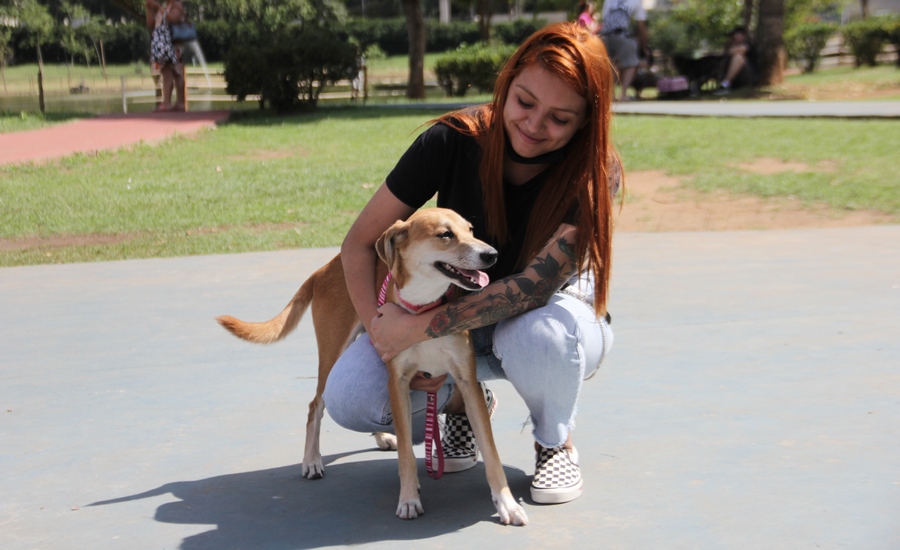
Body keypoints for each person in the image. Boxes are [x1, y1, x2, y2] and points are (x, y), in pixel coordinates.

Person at [322, 22, 619, 505]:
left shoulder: (594, 171)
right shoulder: (451, 140)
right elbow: (359, 244)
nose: (534, 124)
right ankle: (466, 399)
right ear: (506, 85)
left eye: (560, 118)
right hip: (459, 315)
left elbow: (532, 290)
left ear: (586, 121)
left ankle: (554, 441)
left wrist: (420, 330)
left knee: (538, 337)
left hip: (547, 319)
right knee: (352, 398)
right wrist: (383, 334)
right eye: (524, 101)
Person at [599, 0, 649, 102]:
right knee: (631, 63)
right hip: (621, 33)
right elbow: (641, 27)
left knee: (609, 64)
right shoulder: (636, 2)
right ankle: (623, 94)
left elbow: (604, 19)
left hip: (604, 35)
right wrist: (644, 48)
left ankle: (611, 95)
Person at [145, 0, 185, 112]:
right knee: (166, 71)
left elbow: (173, 19)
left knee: (177, 72)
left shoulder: (176, 5)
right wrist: (149, 9)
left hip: (174, 43)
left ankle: (180, 102)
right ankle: (166, 102)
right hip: (163, 44)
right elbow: (150, 24)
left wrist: (158, 7)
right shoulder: (164, 7)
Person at [715, 26, 756, 95]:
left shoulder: (748, 45)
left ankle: (725, 85)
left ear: (744, 36)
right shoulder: (730, 46)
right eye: (734, 35)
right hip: (735, 79)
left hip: (748, 76)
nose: (735, 37)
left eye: (738, 35)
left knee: (738, 57)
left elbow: (736, 50)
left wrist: (730, 48)